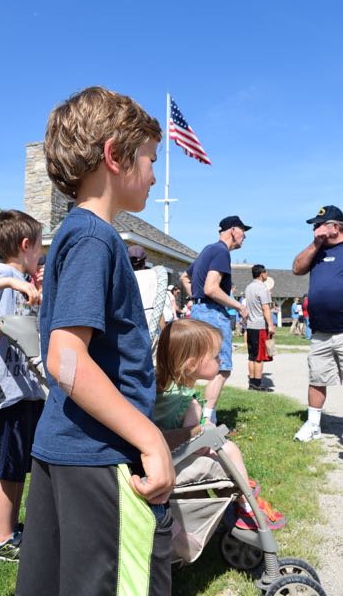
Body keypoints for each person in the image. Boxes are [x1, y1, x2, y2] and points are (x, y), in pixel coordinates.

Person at [16, 87, 175, 596]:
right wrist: (150, 440)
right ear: (114, 156)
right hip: (100, 460)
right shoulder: (94, 238)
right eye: (150, 158)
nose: (154, 174)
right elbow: (66, 359)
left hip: (64, 450)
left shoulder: (74, 234)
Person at [154, 319, 285, 530]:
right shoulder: (188, 404)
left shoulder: (163, 390)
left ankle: (242, 493)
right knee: (230, 449)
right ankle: (246, 503)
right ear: (191, 365)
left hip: (161, 455)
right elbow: (200, 444)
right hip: (177, 460)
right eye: (215, 356)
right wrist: (208, 428)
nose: (221, 359)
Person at [0, 210, 45, 562]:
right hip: (6, 390)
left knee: (19, 464)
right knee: (11, 466)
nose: (40, 257)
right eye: (38, 249)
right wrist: (15, 283)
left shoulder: (25, 278)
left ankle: (13, 528)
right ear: (24, 245)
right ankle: (4, 539)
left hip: (28, 387)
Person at [180, 216, 250, 424]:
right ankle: (207, 420)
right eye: (243, 232)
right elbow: (212, 288)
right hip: (213, 313)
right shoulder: (221, 251)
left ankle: (184, 413)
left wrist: (195, 298)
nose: (245, 236)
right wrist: (239, 306)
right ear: (233, 230)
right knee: (222, 367)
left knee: (195, 366)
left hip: (199, 312)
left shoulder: (208, 250)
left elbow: (185, 276)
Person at [293, 205, 343, 442]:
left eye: (319, 225)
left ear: (335, 227)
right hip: (320, 331)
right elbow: (296, 268)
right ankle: (313, 425)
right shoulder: (317, 251)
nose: (315, 229)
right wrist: (316, 245)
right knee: (317, 378)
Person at [244, 264, 275, 391]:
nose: (267, 274)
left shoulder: (248, 287)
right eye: (266, 272)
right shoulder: (262, 288)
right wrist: (271, 325)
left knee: (252, 356)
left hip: (251, 325)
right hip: (260, 325)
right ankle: (257, 384)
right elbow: (265, 308)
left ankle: (252, 382)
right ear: (262, 274)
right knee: (259, 357)